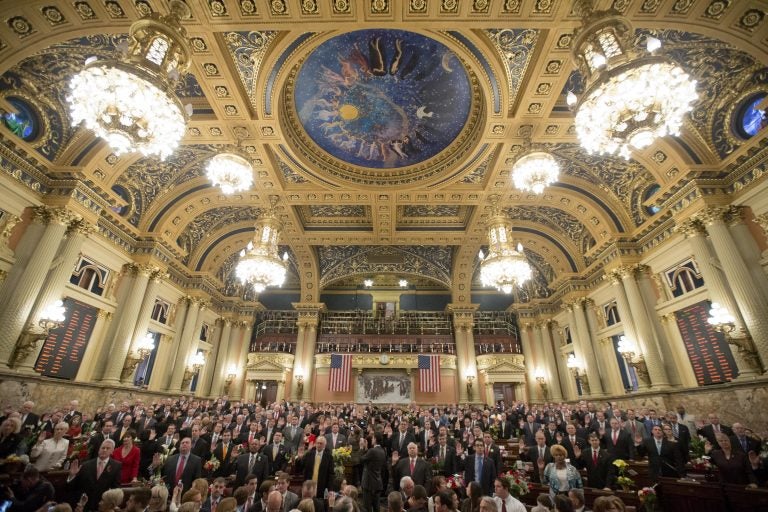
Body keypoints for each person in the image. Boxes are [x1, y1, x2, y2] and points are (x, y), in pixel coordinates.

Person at [67, 439, 123, 511]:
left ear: (112, 451)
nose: (104, 450)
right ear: (99, 449)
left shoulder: (116, 466)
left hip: (102, 506)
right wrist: (72, 476)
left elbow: (116, 488)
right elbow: (73, 487)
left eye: (108, 448)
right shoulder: (85, 465)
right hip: (84, 506)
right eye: (103, 448)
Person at [359, 433, 386, 512]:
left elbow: (361, 460)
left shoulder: (372, 451)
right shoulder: (382, 451)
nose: (372, 440)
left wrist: (361, 447)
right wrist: (366, 448)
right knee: (376, 507)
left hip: (368, 483)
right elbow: (370, 459)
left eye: (373, 438)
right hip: (377, 483)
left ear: (375, 439)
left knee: (367, 507)